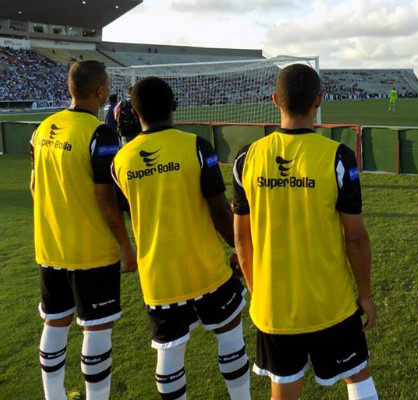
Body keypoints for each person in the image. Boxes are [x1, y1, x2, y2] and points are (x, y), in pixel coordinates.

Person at [232, 64, 378, 400]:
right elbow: (355, 238)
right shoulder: (337, 157)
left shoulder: (247, 159)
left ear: (274, 101)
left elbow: (241, 239)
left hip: (274, 308)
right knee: (357, 376)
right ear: (319, 101)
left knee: (284, 390)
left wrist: (258, 291)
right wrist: (366, 295)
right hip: (331, 304)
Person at [111, 77, 251, 400]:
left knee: (169, 351)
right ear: (175, 105)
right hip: (207, 269)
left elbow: (132, 212)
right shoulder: (196, 146)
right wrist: (243, 251)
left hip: (160, 278)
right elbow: (219, 212)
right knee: (230, 336)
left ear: (133, 111)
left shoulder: (120, 162)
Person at [30, 60, 136, 400]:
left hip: (50, 247)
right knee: (97, 326)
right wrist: (124, 244)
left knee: (55, 320)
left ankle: (53, 396)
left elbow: (35, 186)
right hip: (91, 250)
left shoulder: (42, 128)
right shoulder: (99, 133)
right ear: (101, 91)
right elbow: (106, 199)